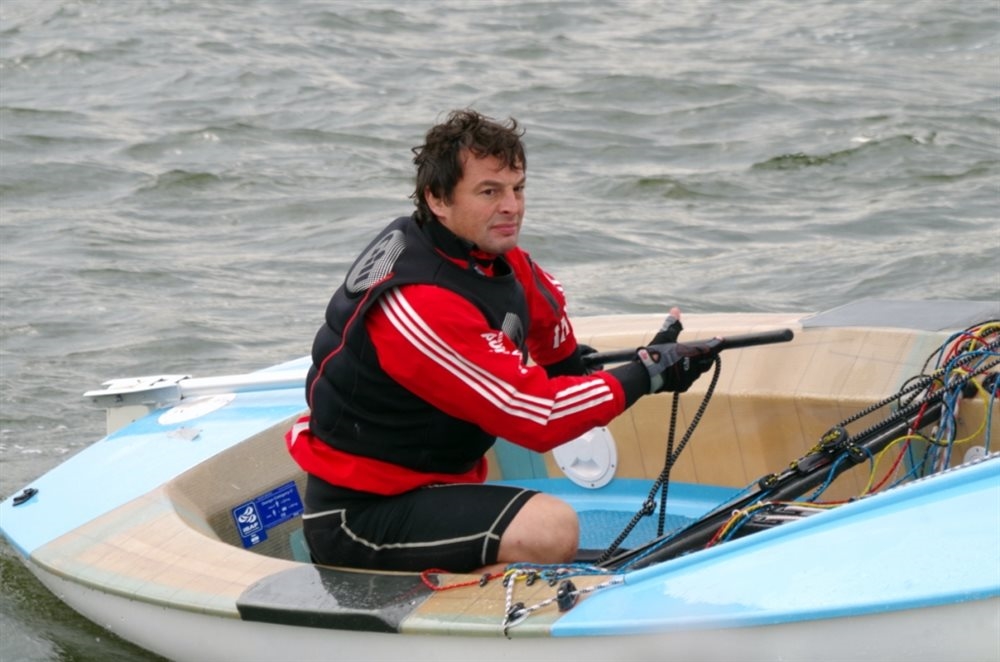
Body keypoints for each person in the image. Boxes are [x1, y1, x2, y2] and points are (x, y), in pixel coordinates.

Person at [285, 109, 715, 574]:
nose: (512, 206)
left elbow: (552, 330)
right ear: (437, 199)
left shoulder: (492, 257)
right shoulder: (420, 302)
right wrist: (649, 375)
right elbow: (539, 417)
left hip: (436, 487)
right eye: (489, 192)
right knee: (551, 529)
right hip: (359, 516)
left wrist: (608, 364)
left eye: (518, 188)